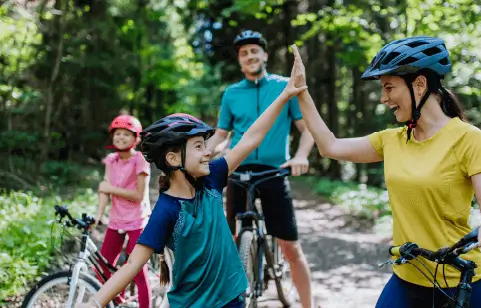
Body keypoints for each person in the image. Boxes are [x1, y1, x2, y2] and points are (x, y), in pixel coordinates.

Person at [288, 38, 481, 307]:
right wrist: (301, 91)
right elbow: (330, 146)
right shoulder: (392, 140)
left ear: (419, 85)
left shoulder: (468, 139)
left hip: (459, 282)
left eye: (389, 88)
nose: (384, 98)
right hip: (407, 278)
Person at [77, 47, 308, 308]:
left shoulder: (212, 179)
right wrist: (94, 303)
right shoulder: (166, 210)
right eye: (199, 147)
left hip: (233, 297)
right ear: (174, 159)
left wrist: (285, 94)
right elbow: (132, 264)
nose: (208, 152)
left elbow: (253, 135)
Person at [206, 30, 315, 308]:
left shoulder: (283, 87)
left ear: (265, 55)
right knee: (230, 240)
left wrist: (301, 156)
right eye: (244, 53)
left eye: (255, 51)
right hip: (238, 172)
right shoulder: (231, 94)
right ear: (239, 61)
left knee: (290, 247)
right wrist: (204, 154)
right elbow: (221, 135)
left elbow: (308, 130)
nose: (250, 56)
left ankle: (308, 305)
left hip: (274, 172)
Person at [95, 114, 152, 307]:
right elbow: (104, 188)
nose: (121, 137)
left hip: (137, 219)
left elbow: (138, 195)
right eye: (117, 133)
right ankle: (120, 302)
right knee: (101, 267)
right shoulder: (111, 160)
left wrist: (111, 189)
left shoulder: (140, 160)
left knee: (137, 270)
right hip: (116, 220)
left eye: (126, 134)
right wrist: (98, 217)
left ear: (135, 138)